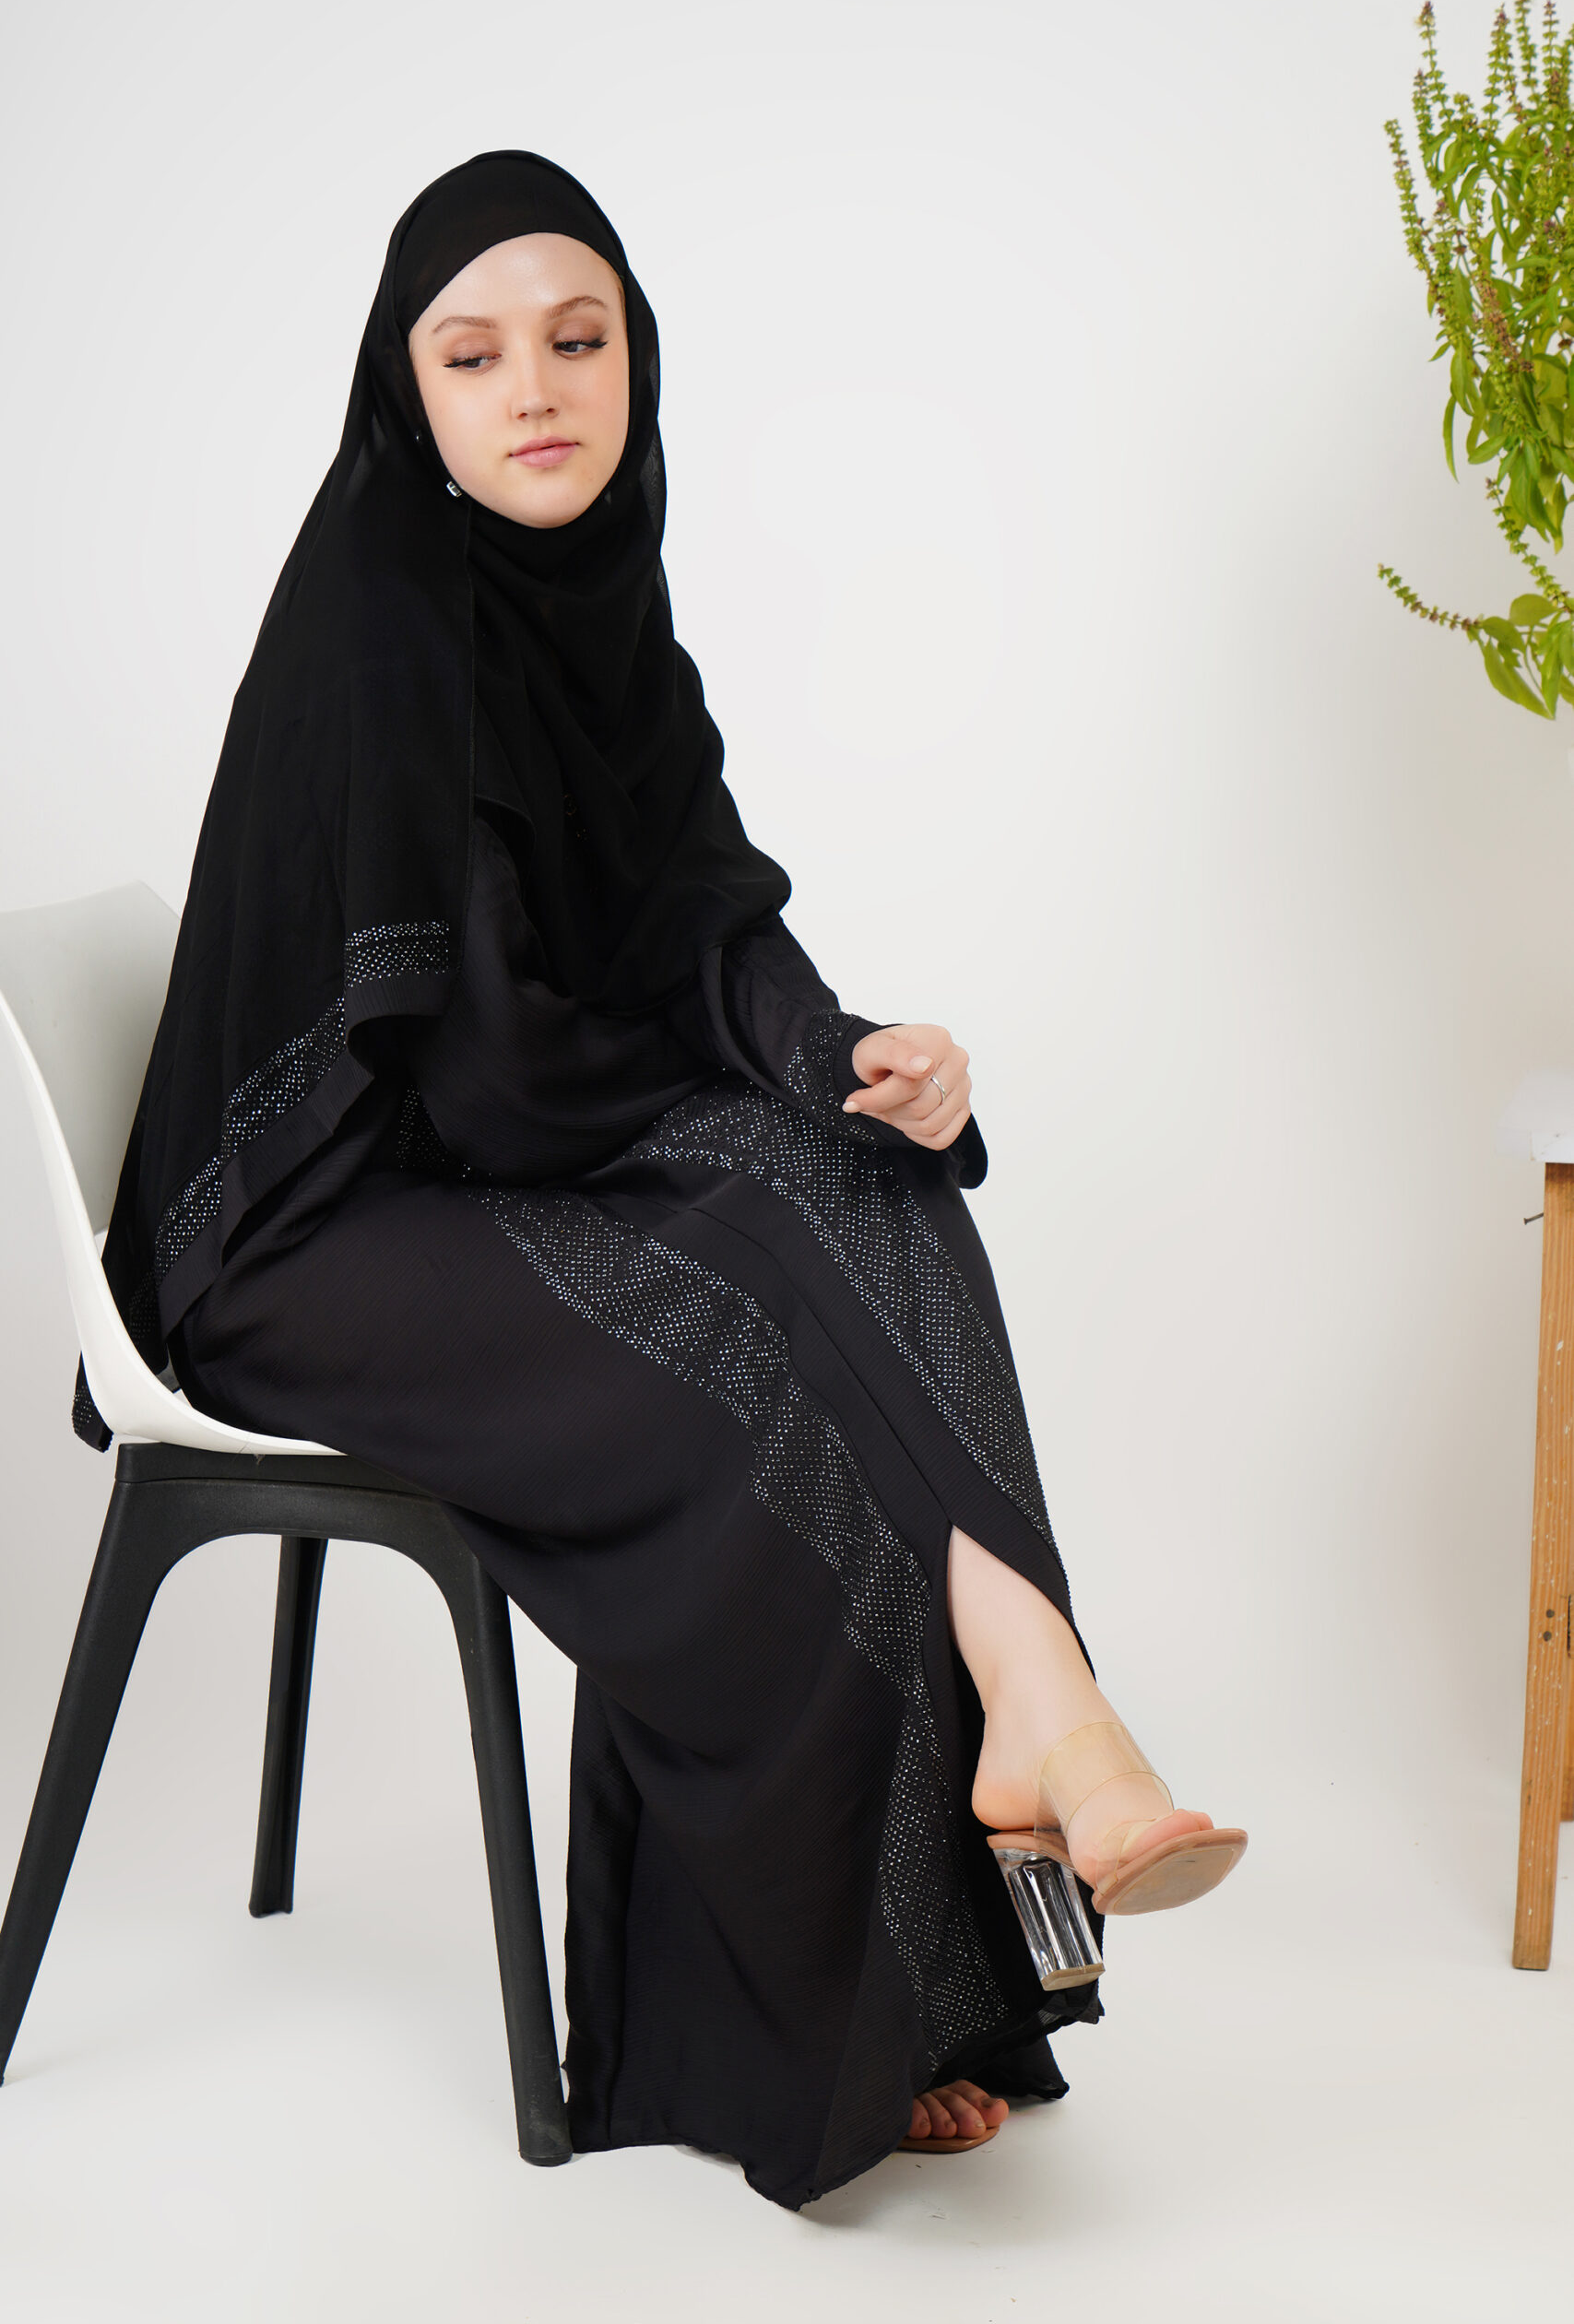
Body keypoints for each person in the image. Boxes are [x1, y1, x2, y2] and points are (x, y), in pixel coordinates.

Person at [87, 151, 1245, 2211]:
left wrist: (842, 1063)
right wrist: (731, 1154)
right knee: (739, 1320)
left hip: (472, 1163)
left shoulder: (599, 602)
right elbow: (476, 1060)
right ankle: (931, 1867)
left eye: (577, 338)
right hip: (299, 1236)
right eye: (474, 354)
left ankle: (1003, 1783)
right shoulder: (385, 619)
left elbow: (697, 918)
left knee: (876, 1192)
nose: (535, 388)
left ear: (636, 358)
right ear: (408, 393)